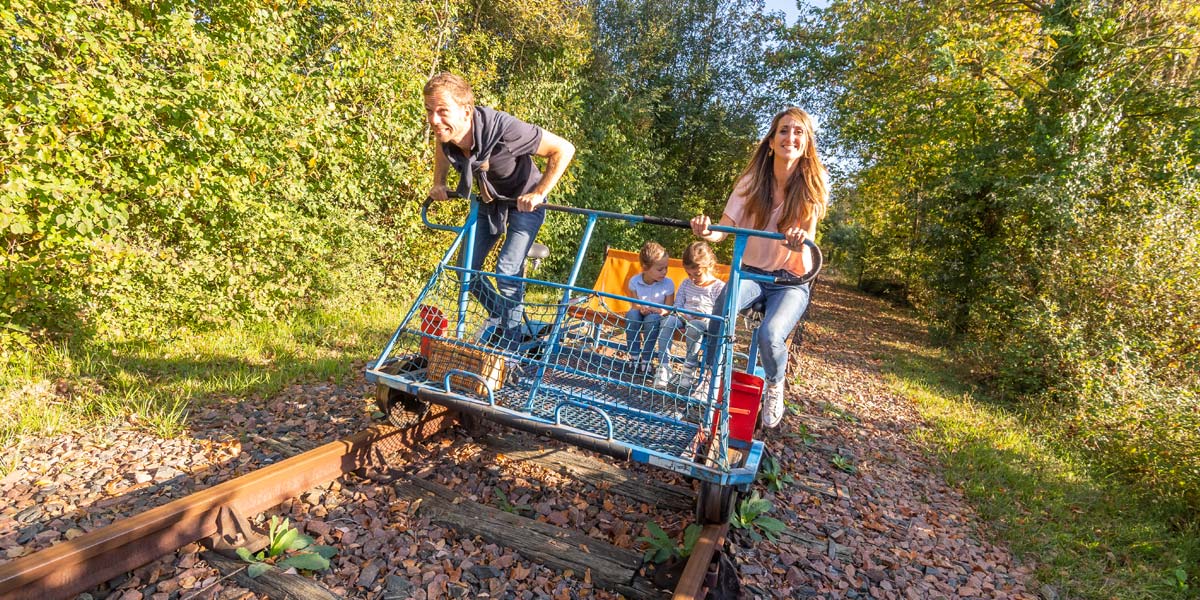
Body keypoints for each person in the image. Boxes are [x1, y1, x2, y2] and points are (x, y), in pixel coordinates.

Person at [691, 107, 828, 428]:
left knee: (770, 335)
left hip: (791, 280)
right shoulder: (751, 182)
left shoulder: (811, 188)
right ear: (771, 140)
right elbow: (724, 231)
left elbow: (806, 242)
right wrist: (705, 229)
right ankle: (709, 378)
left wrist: (797, 240)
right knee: (719, 313)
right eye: (783, 130)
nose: (790, 137)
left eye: (798, 132)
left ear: (806, 143)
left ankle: (774, 384)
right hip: (751, 272)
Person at [424, 72, 575, 350]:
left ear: (466, 111)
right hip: (489, 201)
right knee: (464, 269)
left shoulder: (505, 129)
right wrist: (439, 183)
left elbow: (564, 149)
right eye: (430, 111)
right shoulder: (447, 134)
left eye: (442, 111)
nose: (434, 120)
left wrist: (539, 192)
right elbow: (441, 145)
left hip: (523, 203)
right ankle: (503, 317)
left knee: (506, 269)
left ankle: (512, 346)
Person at [653, 242, 725, 388]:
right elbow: (677, 305)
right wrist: (683, 314)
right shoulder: (686, 284)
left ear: (709, 266)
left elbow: (719, 312)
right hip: (683, 316)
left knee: (695, 326)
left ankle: (688, 369)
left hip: (703, 322)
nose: (692, 278)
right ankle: (664, 366)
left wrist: (704, 316)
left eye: (697, 274)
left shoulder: (718, 287)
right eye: (689, 274)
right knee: (667, 322)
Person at [624, 242, 674, 369]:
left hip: (657, 315)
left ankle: (647, 358)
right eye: (660, 269)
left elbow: (668, 309)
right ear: (645, 268)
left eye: (666, 268)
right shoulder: (635, 281)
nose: (664, 272)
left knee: (651, 319)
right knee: (631, 315)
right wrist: (641, 308)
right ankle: (634, 355)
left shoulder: (668, 284)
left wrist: (657, 310)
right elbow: (634, 305)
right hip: (640, 313)